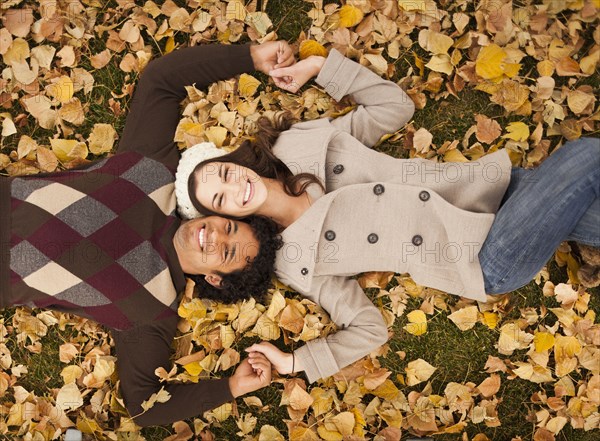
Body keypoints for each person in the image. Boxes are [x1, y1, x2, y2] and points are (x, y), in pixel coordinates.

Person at [175, 48, 600, 383]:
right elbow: (368, 328)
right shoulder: (296, 263)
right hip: (481, 255)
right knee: (586, 156)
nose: (234, 188)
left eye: (226, 173)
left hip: (492, 190)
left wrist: (322, 68)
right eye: (220, 198)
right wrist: (293, 363)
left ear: (240, 162)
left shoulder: (297, 145)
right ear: (224, 214)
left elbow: (395, 107)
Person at [1, 41, 295, 426]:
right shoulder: (154, 171)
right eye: (228, 227)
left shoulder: (154, 310)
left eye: (225, 252)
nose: (214, 236)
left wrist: (230, 388)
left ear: (213, 278)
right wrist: (253, 57)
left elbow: (144, 406)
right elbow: (162, 79)